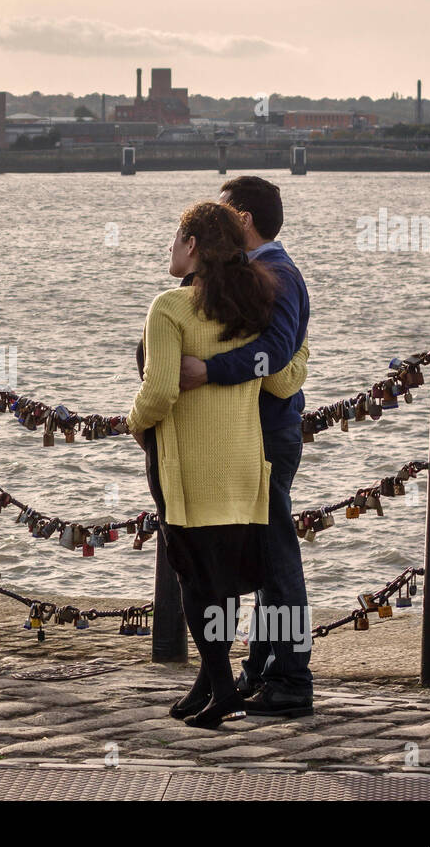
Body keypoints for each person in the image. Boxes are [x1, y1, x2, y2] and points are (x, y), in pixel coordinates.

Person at [127, 201, 307, 728]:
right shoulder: (253, 307)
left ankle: (226, 688)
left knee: (194, 577)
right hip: (243, 460)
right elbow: (278, 378)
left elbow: (159, 391)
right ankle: (211, 685)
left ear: (193, 247)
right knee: (224, 576)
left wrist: (135, 424)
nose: (168, 247)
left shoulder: (169, 308)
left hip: (187, 462)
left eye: (175, 238)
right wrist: (302, 354)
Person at [179, 176, 313, 717]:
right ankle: (261, 671)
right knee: (260, 559)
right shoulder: (258, 273)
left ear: (243, 217)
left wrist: (209, 371)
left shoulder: (278, 274)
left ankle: (292, 680)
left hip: (268, 436)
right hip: (251, 434)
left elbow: (277, 354)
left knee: (277, 561)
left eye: (223, 209)